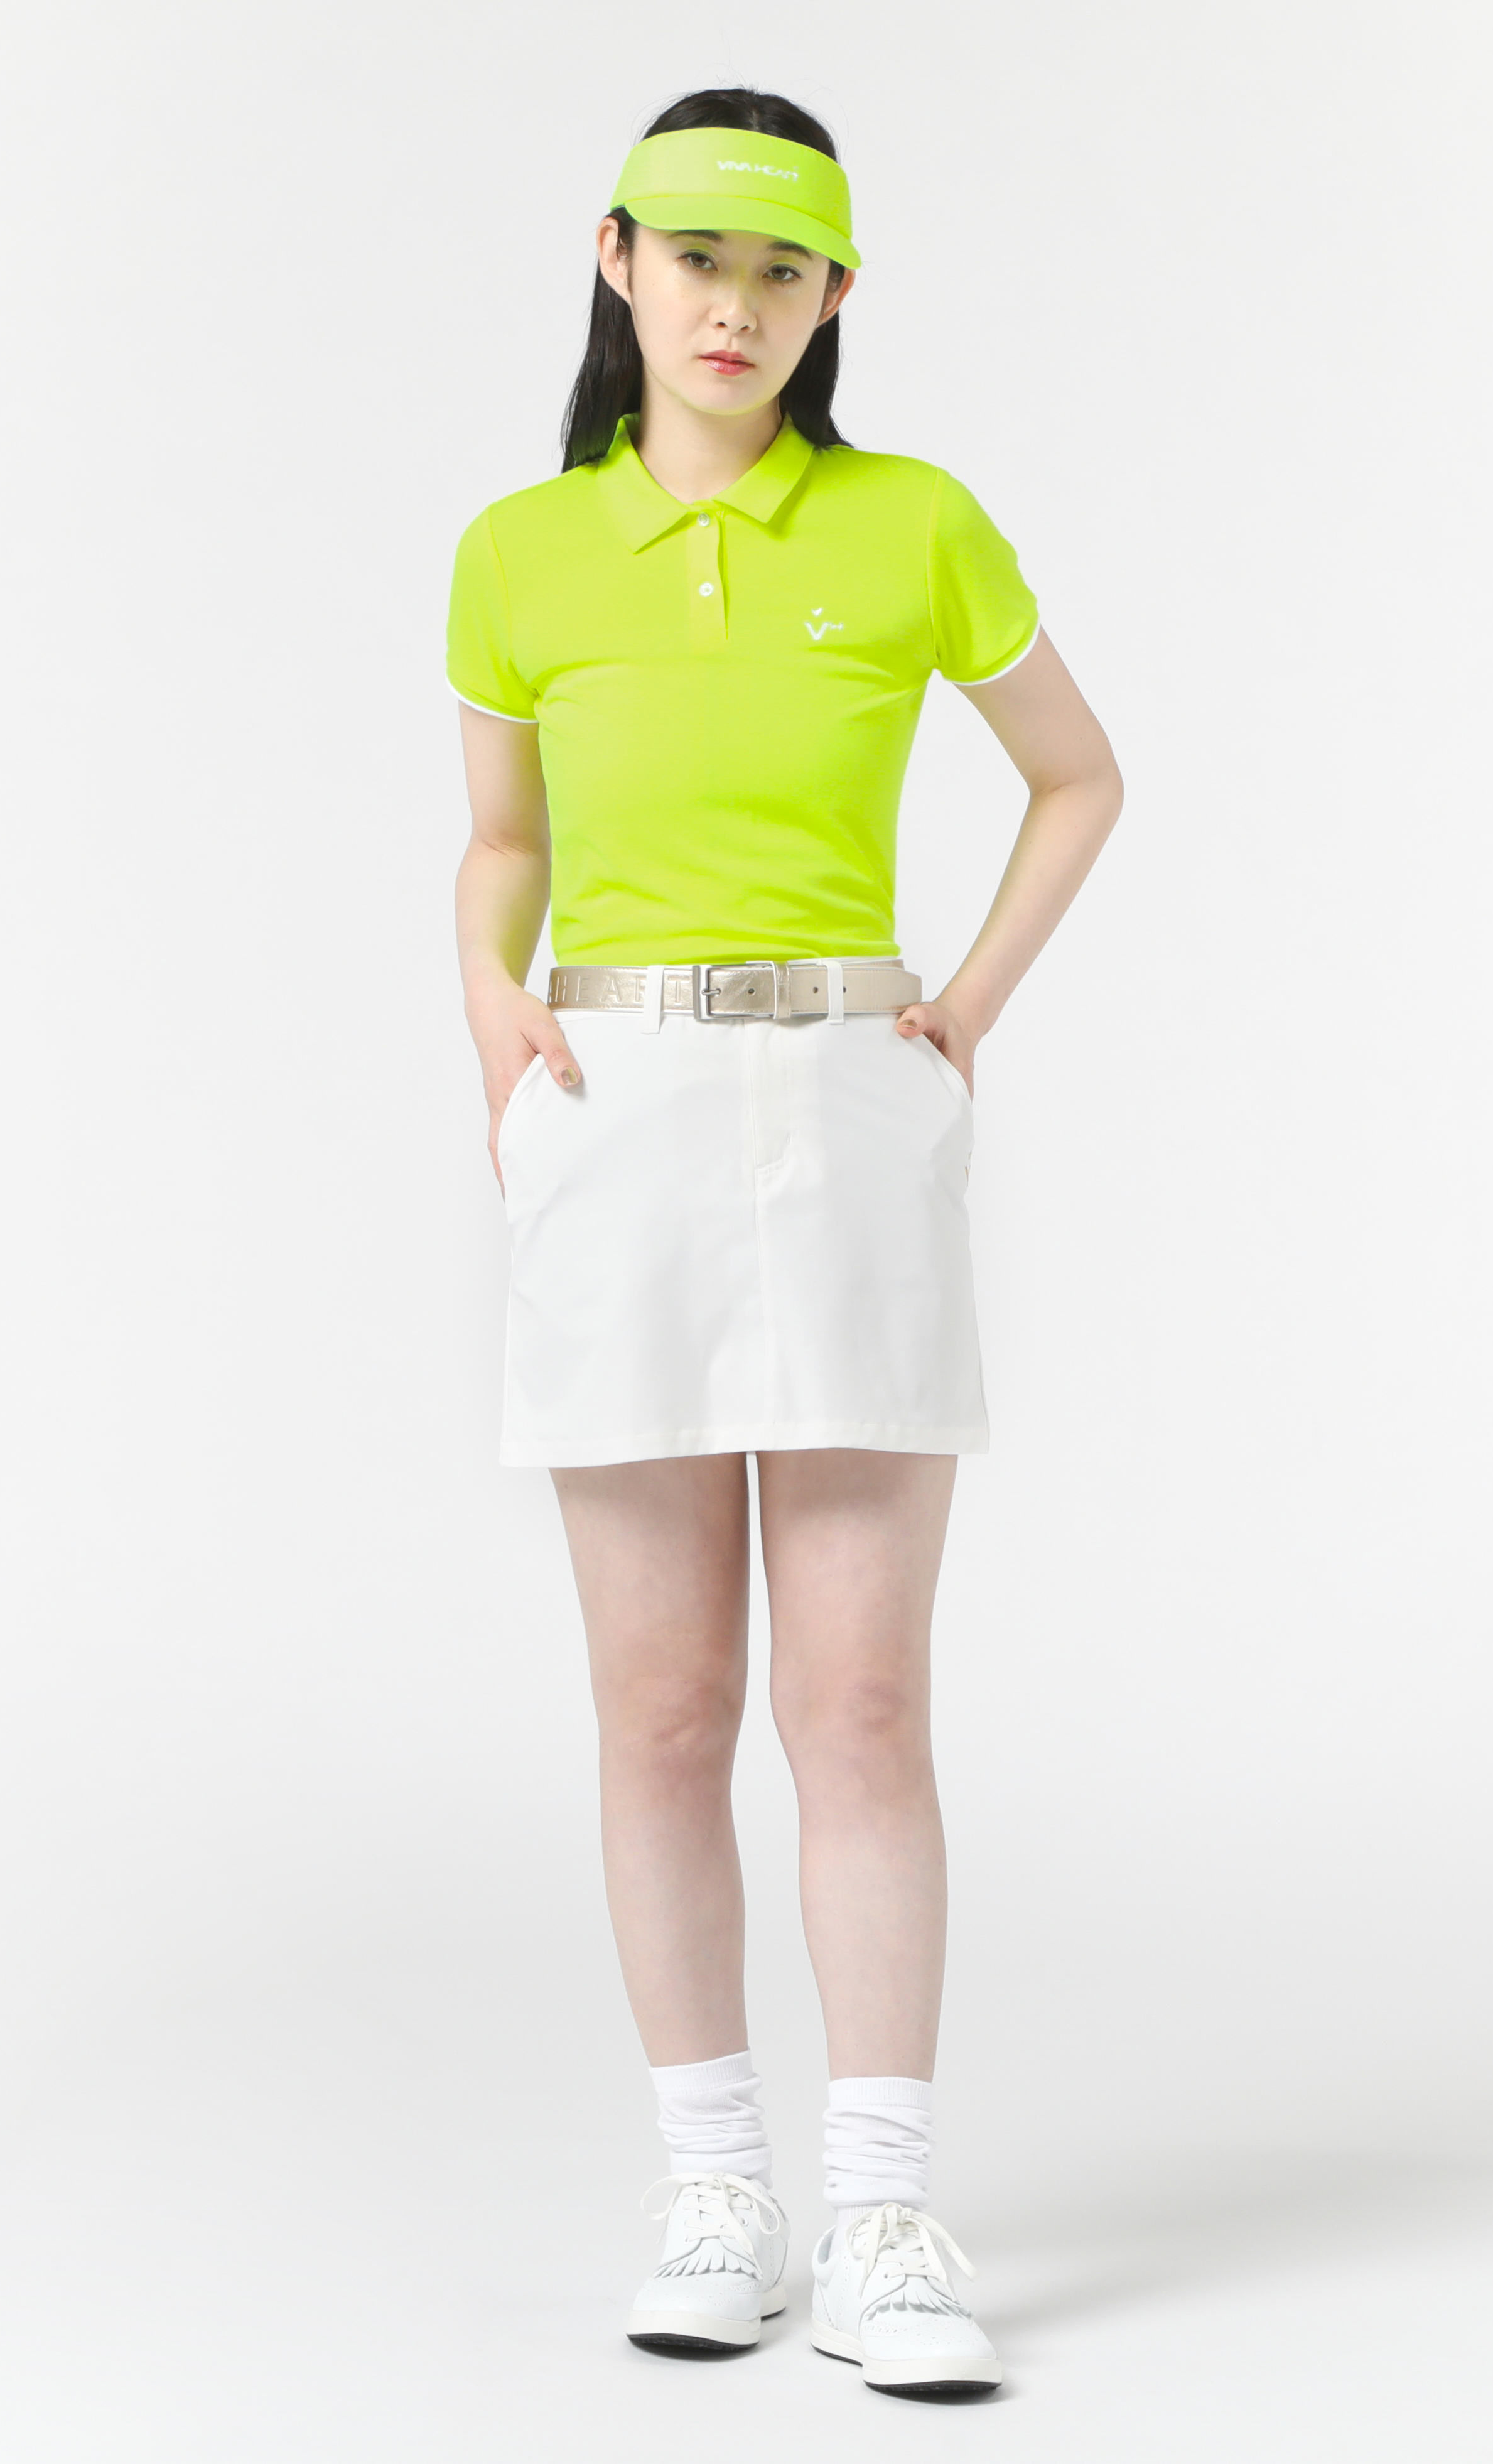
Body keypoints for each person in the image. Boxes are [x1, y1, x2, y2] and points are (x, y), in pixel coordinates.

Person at [447, 87, 1121, 2402]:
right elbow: (502, 838)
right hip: (614, 1104)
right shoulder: (522, 550)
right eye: (696, 257)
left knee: (858, 1700)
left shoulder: (911, 523)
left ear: (834, 296)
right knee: (659, 1705)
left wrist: (960, 1014)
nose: (733, 307)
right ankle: (712, 2188)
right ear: (615, 258)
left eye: (781, 269)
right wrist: (487, 1015)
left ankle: (885, 2207)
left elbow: (1077, 772)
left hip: (845, 1090)